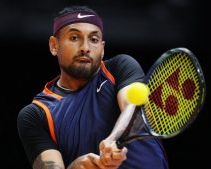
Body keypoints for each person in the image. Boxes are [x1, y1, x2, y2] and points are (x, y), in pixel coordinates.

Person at [17, 5, 169, 169]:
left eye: (94, 39)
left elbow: (131, 106)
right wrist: (76, 167)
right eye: (74, 38)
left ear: (102, 49)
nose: (85, 48)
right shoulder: (37, 114)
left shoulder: (120, 68)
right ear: (54, 45)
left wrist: (113, 139)